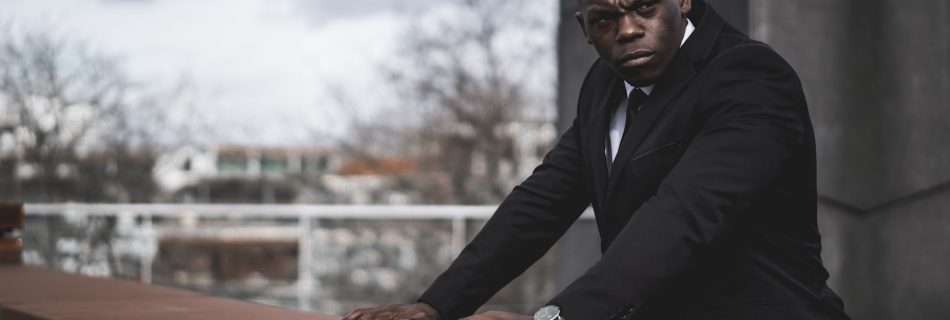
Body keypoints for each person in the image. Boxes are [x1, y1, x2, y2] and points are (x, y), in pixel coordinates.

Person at [344, 0, 851, 319]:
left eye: (644, 8)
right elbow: (541, 204)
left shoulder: (749, 76)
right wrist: (435, 306)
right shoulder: (604, 85)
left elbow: (681, 217)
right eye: (606, 18)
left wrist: (554, 318)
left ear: (684, 0)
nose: (628, 30)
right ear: (584, 26)